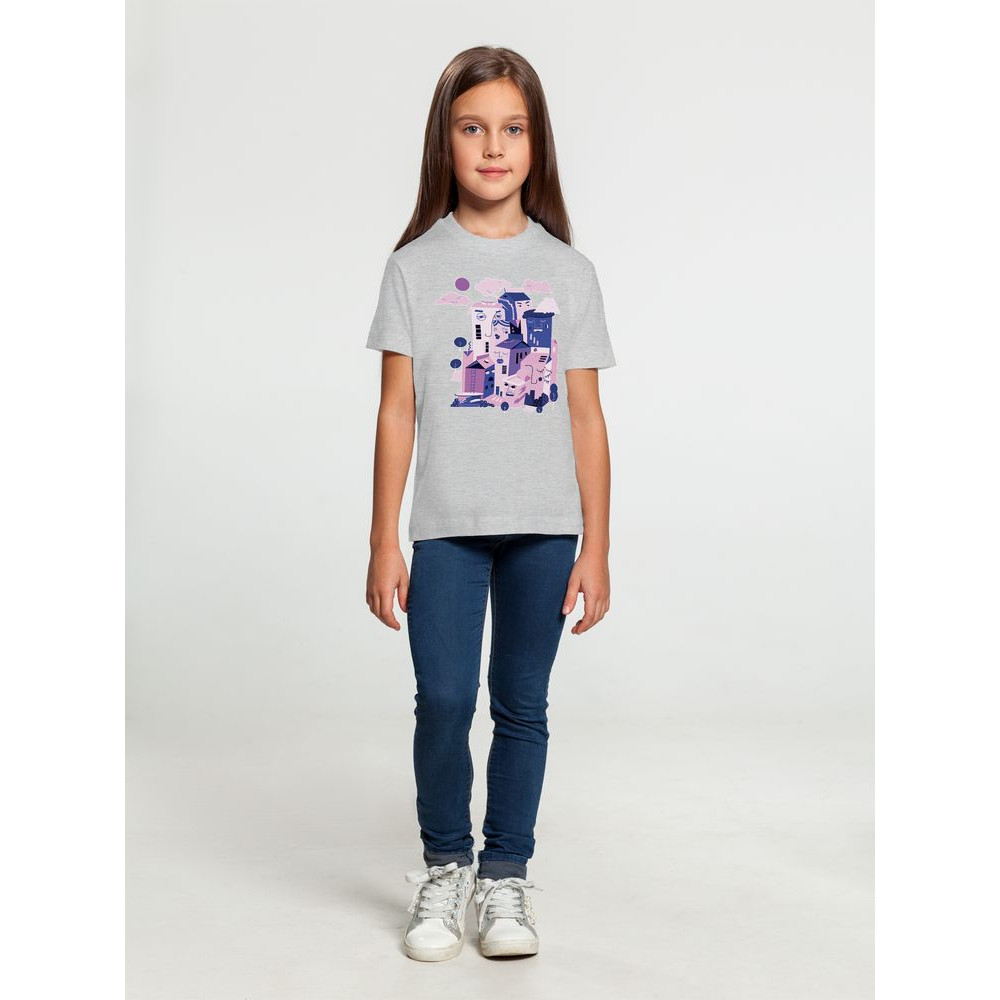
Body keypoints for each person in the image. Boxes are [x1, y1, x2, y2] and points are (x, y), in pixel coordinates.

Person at [364, 45, 616, 963]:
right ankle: (445, 867)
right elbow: (398, 411)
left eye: (513, 129)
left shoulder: (569, 272)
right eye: (474, 128)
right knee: (441, 699)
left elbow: (585, 417)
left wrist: (596, 547)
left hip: (545, 530)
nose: (494, 147)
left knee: (521, 705)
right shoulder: (415, 267)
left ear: (536, 144)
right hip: (448, 529)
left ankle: (505, 876)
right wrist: (383, 541)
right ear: (447, 142)